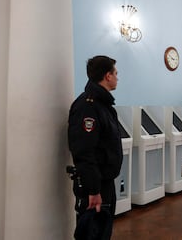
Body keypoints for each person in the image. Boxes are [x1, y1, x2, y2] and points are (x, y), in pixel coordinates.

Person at [68, 55, 123, 239]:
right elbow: (84, 152)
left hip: (104, 183)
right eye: (116, 73)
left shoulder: (104, 105)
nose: (117, 77)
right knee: (92, 234)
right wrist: (93, 190)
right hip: (95, 187)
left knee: (103, 232)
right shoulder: (88, 106)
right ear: (107, 76)